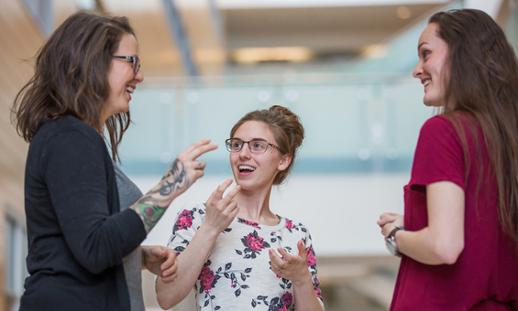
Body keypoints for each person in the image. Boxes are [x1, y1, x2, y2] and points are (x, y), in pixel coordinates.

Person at [11, 12, 216, 311]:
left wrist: (136, 257)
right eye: (131, 61)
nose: (140, 75)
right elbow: (95, 247)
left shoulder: (72, 137)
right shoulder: (71, 138)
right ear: (92, 61)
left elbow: (79, 242)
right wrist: (170, 186)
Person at [377, 8, 518, 310]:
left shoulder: (443, 131)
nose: (417, 70)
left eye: (426, 54)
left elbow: (444, 246)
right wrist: (417, 223)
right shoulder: (506, 137)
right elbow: (483, 229)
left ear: (462, 55)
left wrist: (396, 236)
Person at [156, 105, 324, 310]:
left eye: (257, 146)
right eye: (236, 145)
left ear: (283, 160)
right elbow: (166, 296)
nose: (242, 154)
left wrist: (301, 279)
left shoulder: (297, 234)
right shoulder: (199, 216)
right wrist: (210, 228)